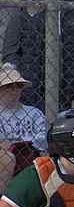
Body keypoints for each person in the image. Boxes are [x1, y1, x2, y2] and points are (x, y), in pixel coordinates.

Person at [0, 63, 47, 191]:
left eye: (19, 85)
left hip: (30, 153)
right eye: (9, 85)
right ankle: (4, 202)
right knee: (7, 158)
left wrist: (18, 143)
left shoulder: (34, 112)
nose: (14, 89)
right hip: (5, 157)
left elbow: (43, 140)